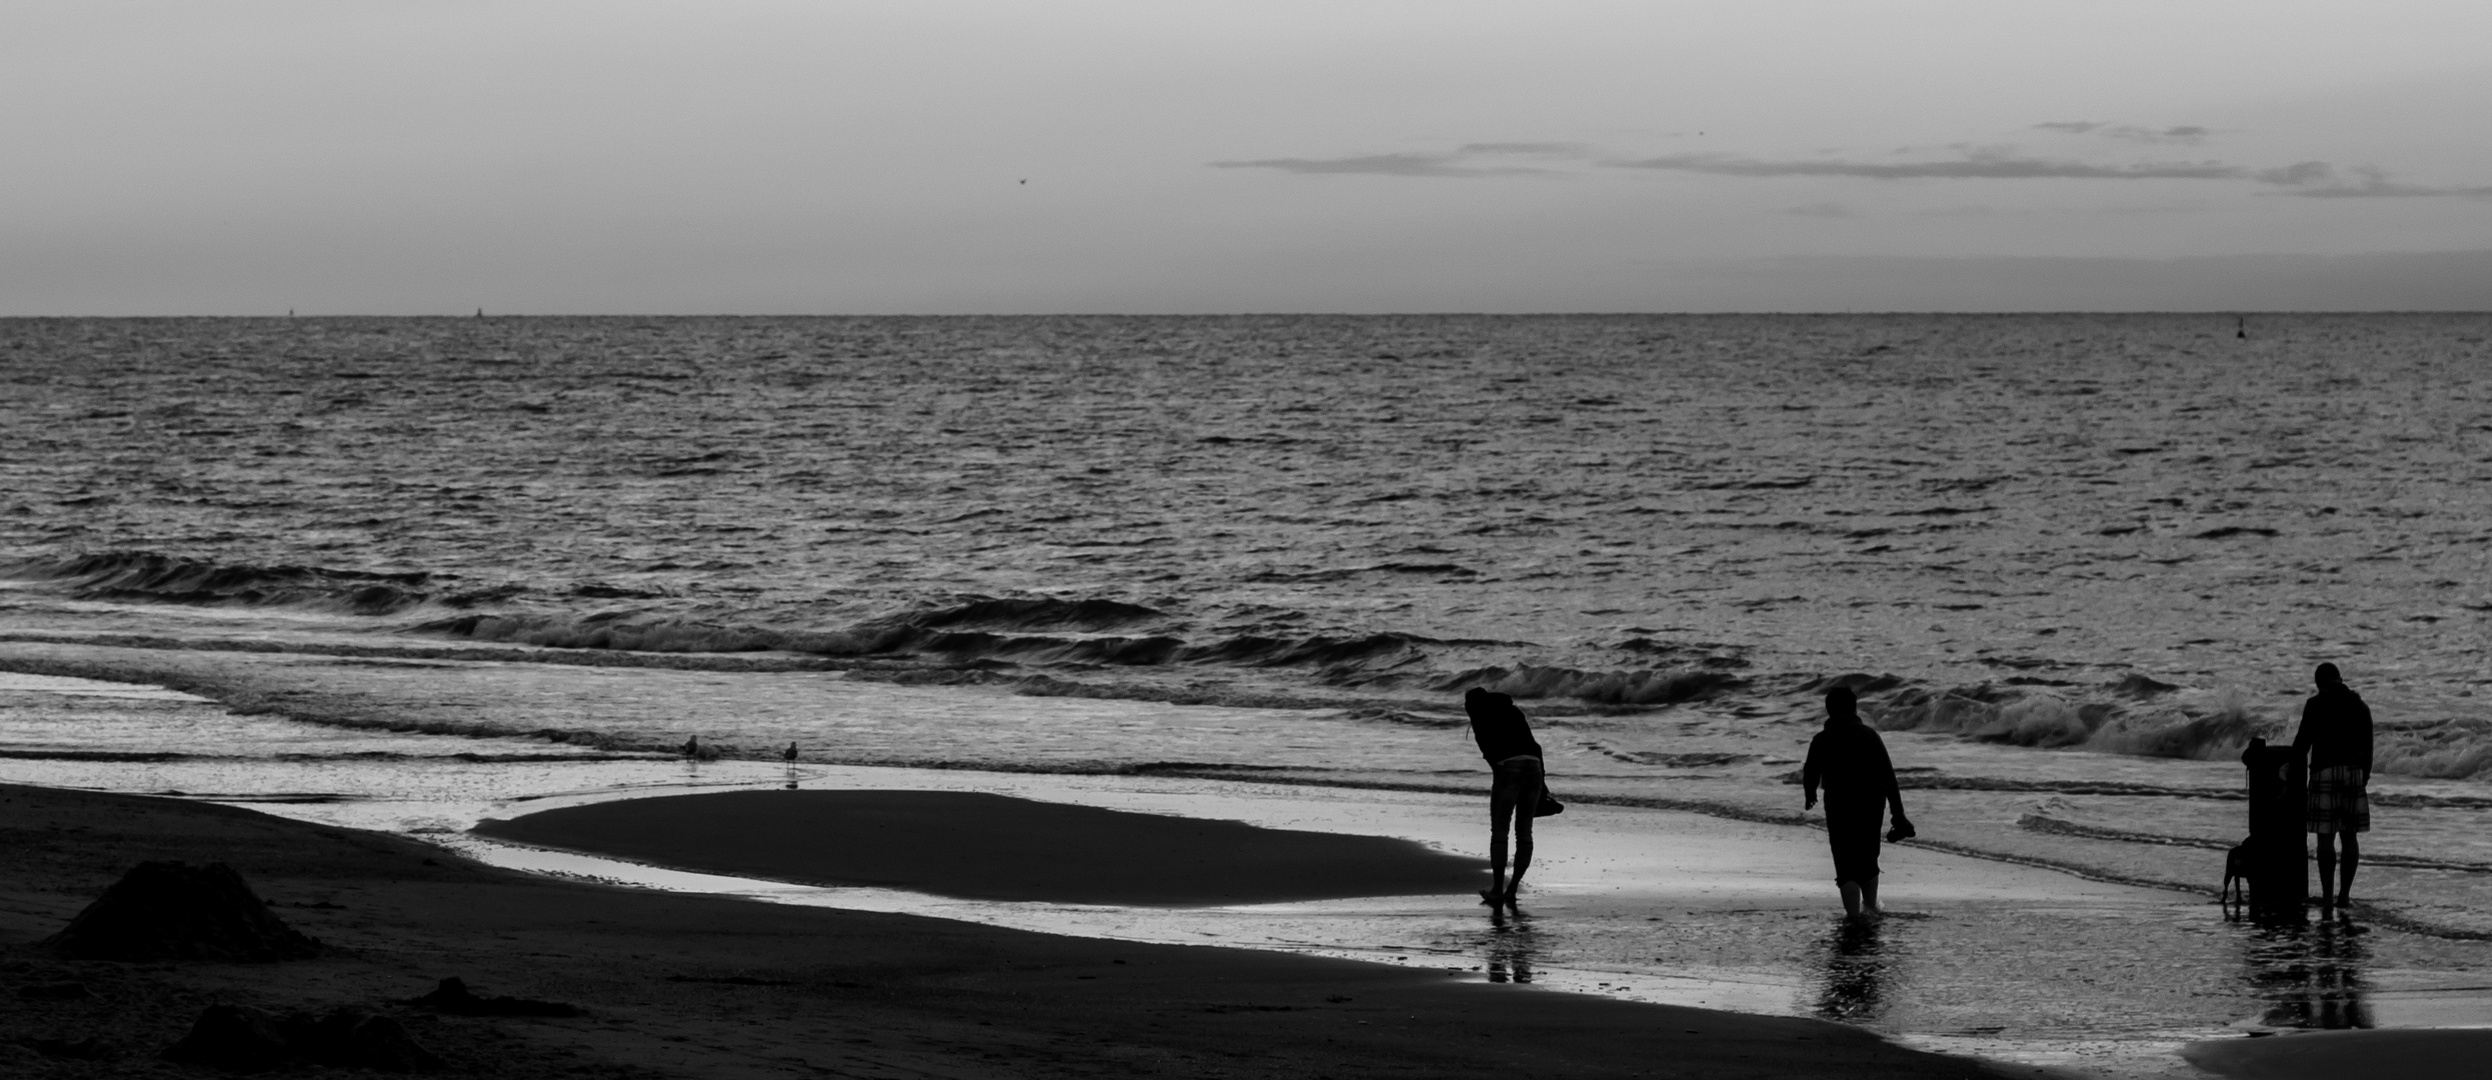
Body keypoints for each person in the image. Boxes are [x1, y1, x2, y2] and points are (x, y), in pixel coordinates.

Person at [1802, 686, 1910, 921]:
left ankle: (1853, 917)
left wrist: (1809, 793)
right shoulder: (1870, 736)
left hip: (1839, 807)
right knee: (1868, 858)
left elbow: (1810, 771)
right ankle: (1870, 909)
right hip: (1871, 806)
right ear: (1854, 708)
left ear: (1828, 710)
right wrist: (1898, 814)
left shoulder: (1821, 739)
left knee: (1845, 862)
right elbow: (1889, 778)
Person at [2293, 663, 2373, 912]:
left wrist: (2292, 775)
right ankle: (2344, 897)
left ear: (2318, 684)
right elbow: (2369, 746)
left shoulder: (2315, 705)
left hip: (2324, 771)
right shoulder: (2359, 706)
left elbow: (2302, 744)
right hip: (2353, 773)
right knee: (2350, 837)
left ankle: (2327, 897)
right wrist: (2364, 776)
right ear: (2341, 679)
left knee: (2325, 839)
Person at [1465, 686, 1544, 907]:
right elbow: (1535, 746)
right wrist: (1543, 790)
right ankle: (1512, 889)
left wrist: (1500, 773)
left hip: (1509, 767)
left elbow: (1489, 752)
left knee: (1500, 830)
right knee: (1524, 832)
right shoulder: (1513, 711)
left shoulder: (1481, 715)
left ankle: (1497, 889)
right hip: (1534, 766)